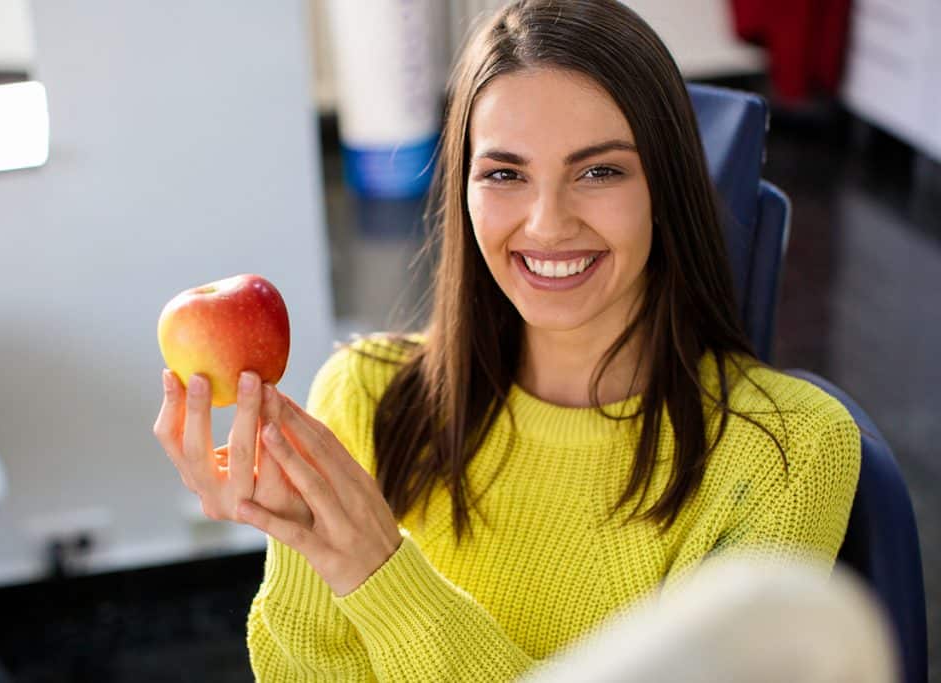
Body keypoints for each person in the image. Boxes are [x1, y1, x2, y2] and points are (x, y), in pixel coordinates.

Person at [153, 1, 861, 680]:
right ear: (463, 191)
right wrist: (300, 536)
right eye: (504, 173)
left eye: (599, 171)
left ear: (665, 188)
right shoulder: (364, 394)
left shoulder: (789, 453)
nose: (548, 224)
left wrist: (380, 573)